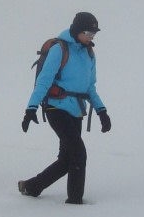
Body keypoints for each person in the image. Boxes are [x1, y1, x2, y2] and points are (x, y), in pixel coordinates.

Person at [18, 12, 111, 205]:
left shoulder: (89, 54)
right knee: (79, 152)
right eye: (88, 32)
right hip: (55, 108)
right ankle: (75, 201)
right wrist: (31, 109)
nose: (91, 37)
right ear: (77, 30)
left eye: (94, 33)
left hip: (76, 110)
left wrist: (102, 111)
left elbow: (90, 87)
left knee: (67, 160)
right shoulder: (60, 49)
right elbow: (43, 82)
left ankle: (31, 186)